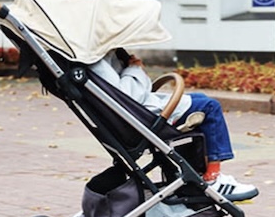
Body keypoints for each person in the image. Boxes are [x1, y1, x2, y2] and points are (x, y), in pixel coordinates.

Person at [90, 49, 259, 201]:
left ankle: (198, 177)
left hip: (137, 115)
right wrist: (135, 69)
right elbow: (126, 96)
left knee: (200, 99)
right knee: (210, 107)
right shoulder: (95, 60)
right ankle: (212, 178)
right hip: (142, 119)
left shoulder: (92, 57)